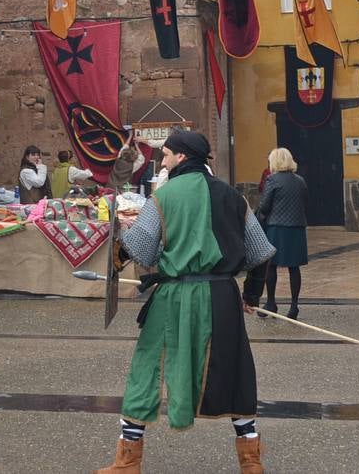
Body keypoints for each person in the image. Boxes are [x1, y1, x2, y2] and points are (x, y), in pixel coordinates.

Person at [96, 129, 274, 474]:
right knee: (235, 372)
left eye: (166, 155)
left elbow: (143, 250)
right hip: (223, 296)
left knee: (147, 369)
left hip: (175, 295)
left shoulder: (165, 195)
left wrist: (127, 232)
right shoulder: (233, 197)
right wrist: (250, 295)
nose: (162, 161)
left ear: (180, 157)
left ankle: (127, 461)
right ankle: (251, 462)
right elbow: (260, 252)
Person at [256, 146, 308, 320]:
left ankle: (271, 302)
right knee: (294, 267)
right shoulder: (300, 180)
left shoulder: (272, 180)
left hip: (276, 228)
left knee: (271, 266)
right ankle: (294, 306)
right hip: (297, 228)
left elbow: (264, 206)